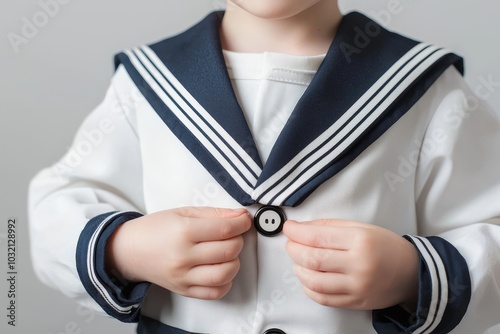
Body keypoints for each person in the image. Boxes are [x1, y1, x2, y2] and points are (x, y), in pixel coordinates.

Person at [28, 0, 500, 333]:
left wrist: (409, 273)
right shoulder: (145, 84)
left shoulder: (426, 87)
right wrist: (125, 249)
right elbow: (55, 208)